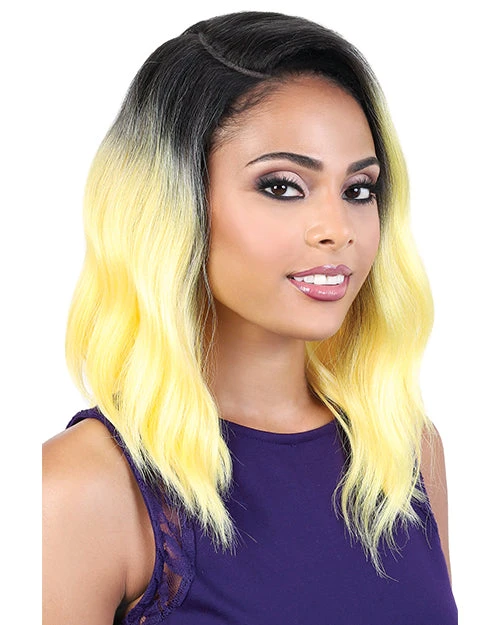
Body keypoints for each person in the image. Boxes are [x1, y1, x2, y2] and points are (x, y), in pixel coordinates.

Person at [42, 11, 458, 624]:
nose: (338, 230)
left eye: (359, 190)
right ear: (174, 203)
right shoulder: (82, 488)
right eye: (283, 186)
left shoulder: (402, 454)